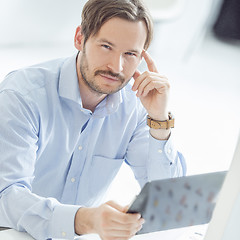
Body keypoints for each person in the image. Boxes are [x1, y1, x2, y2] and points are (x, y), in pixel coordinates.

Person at [0, 0, 186, 239]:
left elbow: (169, 204)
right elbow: (6, 196)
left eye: (130, 54)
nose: (116, 66)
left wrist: (159, 120)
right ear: (80, 38)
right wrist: (85, 220)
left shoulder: (135, 107)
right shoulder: (22, 96)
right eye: (106, 46)